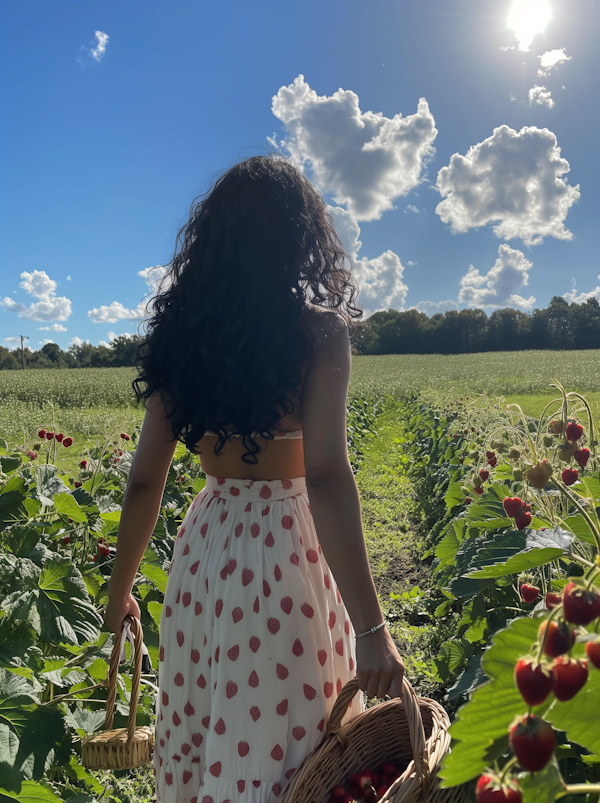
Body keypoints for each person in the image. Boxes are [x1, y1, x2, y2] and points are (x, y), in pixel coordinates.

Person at [104, 154, 405, 803]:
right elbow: (324, 474)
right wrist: (372, 629)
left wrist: (118, 593)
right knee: (295, 747)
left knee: (209, 726)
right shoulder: (318, 332)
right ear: (304, 238)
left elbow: (143, 483)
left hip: (206, 548)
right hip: (285, 551)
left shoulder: (182, 334)